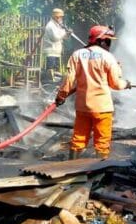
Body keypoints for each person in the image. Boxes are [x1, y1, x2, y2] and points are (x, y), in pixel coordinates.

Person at [55, 25, 131, 159]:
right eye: (108, 41)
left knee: (78, 140)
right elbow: (116, 84)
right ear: (100, 41)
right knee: (102, 143)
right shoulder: (108, 57)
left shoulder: (77, 55)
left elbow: (69, 80)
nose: (109, 44)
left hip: (83, 107)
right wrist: (126, 84)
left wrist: (61, 96)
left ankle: (71, 169)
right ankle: (99, 172)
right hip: (102, 108)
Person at [43, 8, 70, 81]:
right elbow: (55, 38)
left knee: (56, 72)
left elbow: (63, 37)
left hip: (57, 52)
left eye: (61, 17)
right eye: (60, 17)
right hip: (51, 52)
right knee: (50, 71)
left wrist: (68, 34)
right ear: (55, 17)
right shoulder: (50, 25)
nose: (61, 18)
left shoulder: (58, 25)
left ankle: (55, 86)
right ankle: (48, 86)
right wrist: (64, 33)